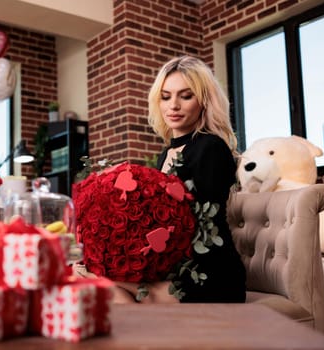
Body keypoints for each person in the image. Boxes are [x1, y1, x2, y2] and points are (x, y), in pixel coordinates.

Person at [97, 55, 246, 304]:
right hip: (174, 265)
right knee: (98, 278)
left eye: (185, 96)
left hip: (208, 273)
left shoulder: (211, 147)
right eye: (165, 97)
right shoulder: (167, 153)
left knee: (101, 279)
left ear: (204, 101)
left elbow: (199, 224)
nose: (173, 105)